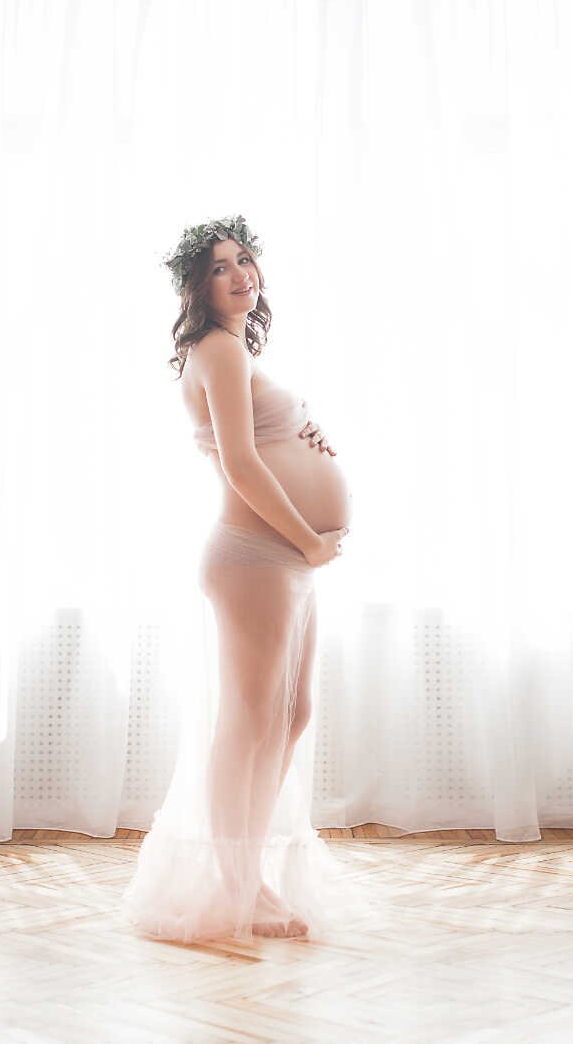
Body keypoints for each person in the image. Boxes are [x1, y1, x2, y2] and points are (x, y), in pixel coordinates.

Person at [121, 215, 366, 943]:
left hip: (282, 558)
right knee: (250, 720)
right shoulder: (218, 349)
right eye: (221, 267)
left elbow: (263, 440)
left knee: (290, 715)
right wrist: (306, 538)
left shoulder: (232, 352)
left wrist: (305, 430)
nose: (241, 275)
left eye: (246, 261)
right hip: (256, 556)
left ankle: (248, 869)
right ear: (197, 287)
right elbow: (241, 464)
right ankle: (237, 885)